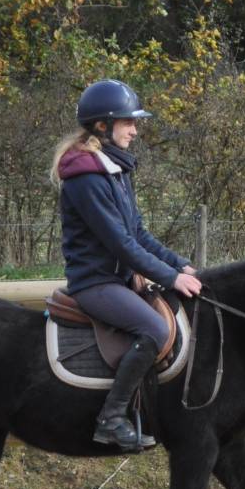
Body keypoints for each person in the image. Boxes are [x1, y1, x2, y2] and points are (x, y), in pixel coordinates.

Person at [51, 79, 202, 451]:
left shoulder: (115, 171)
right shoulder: (86, 178)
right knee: (154, 328)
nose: (135, 130)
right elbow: (121, 245)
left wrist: (180, 266)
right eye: (128, 122)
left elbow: (139, 233)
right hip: (95, 283)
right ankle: (111, 418)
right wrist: (168, 276)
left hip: (118, 279)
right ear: (103, 125)